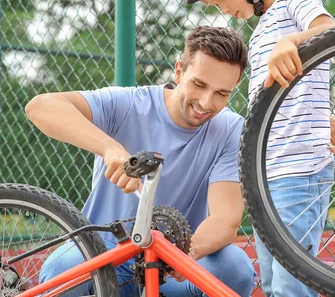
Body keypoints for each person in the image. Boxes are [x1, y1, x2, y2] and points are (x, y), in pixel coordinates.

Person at [179, 0, 335, 297]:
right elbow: (287, 96)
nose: (222, 10)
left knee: (291, 286)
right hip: (266, 175)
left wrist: (293, 41)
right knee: (274, 283)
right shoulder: (261, 30)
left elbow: (332, 32)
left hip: (299, 172)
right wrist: (320, 117)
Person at [25, 26, 255, 296]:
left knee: (234, 267)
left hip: (171, 265)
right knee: (63, 268)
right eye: (199, 84)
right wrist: (110, 148)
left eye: (222, 94)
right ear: (179, 70)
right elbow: (40, 107)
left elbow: (225, 218)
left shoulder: (230, 129)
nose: (206, 102)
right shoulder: (129, 103)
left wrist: (189, 252)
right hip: (104, 253)